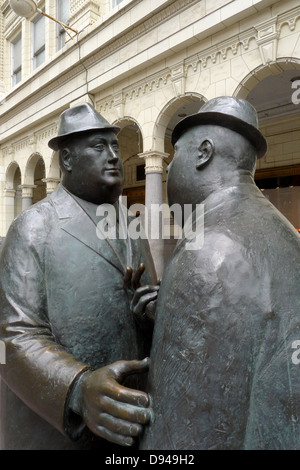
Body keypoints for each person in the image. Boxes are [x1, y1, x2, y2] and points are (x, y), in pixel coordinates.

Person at [140, 96, 300, 450]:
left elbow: (181, 438)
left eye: (175, 156)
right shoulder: (285, 232)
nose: (167, 171)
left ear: (203, 153)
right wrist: (167, 311)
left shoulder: (209, 250)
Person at [0, 103, 158, 450]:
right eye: (99, 147)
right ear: (68, 160)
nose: (114, 155)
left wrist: (147, 314)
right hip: (58, 431)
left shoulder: (131, 225)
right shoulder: (33, 227)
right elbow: (13, 337)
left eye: (115, 146)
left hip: (125, 423)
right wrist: (77, 388)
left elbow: (146, 312)